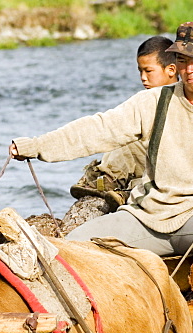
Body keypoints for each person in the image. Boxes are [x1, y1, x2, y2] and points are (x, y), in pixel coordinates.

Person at [10, 22, 193, 333]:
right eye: (182, 61)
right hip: (148, 216)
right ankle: (65, 332)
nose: (189, 70)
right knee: (70, 246)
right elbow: (97, 129)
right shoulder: (154, 103)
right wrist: (38, 146)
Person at [69, 35, 178, 208]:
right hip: (152, 164)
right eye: (140, 71)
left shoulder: (177, 97)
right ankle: (116, 186)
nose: (143, 77)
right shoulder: (146, 100)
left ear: (171, 70)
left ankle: (108, 180)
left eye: (148, 71)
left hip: (169, 166)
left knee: (128, 142)